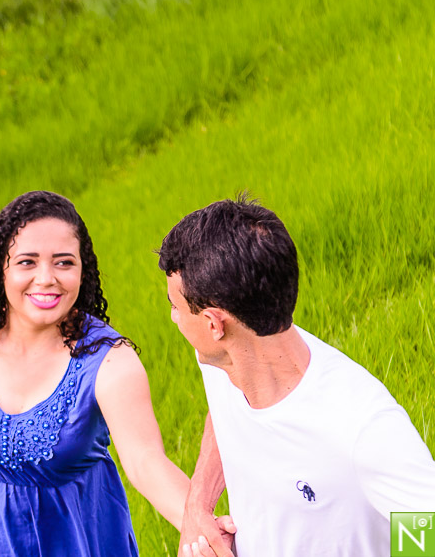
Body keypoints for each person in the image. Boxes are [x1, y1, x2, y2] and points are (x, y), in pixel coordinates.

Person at [0, 191, 194, 556]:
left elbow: (146, 462)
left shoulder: (110, 363)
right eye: (27, 262)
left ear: (83, 269)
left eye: (63, 263)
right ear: (0, 268)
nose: (46, 278)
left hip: (75, 540)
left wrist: (200, 527)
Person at [161, 196, 435, 557]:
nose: (174, 317)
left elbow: (426, 531)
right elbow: (225, 412)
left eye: (175, 306)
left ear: (214, 324)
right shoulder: (227, 360)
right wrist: (198, 504)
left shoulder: (363, 429)